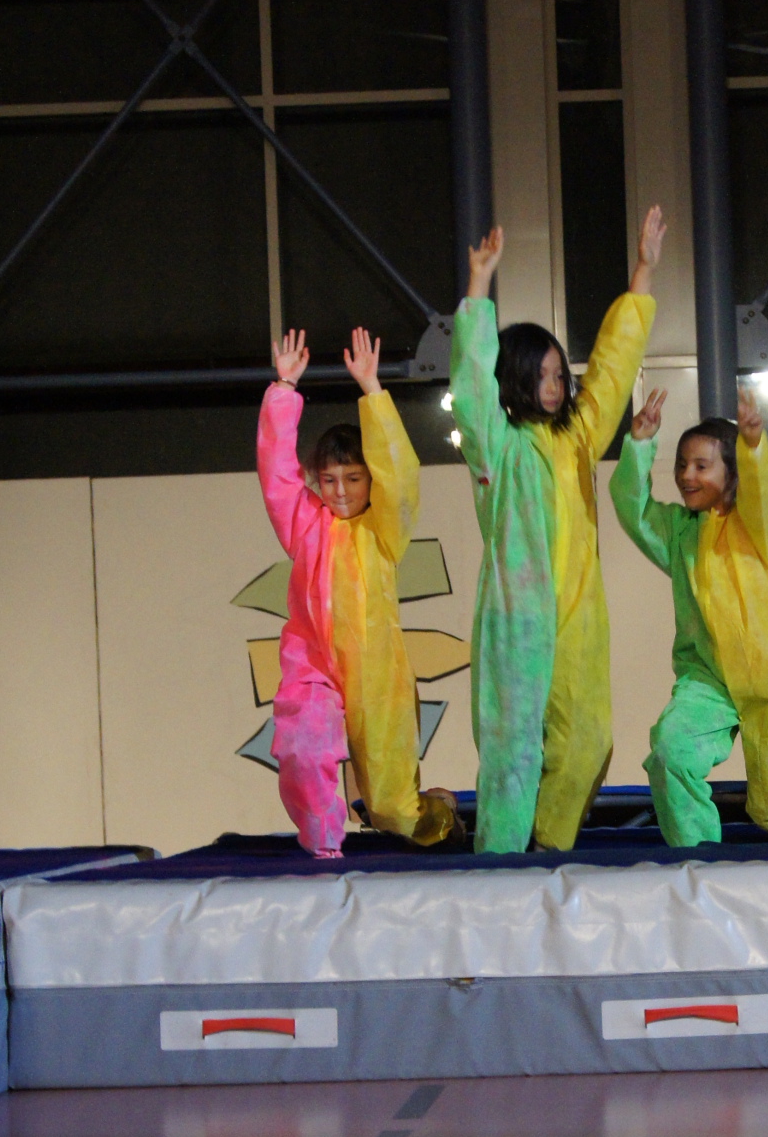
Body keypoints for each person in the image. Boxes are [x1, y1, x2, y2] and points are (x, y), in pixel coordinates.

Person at [450, 209, 665, 853]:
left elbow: (613, 369)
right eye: (540, 375)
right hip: (517, 618)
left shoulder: (576, 437)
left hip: (579, 616)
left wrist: (644, 271)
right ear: (515, 378)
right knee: (512, 748)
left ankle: (546, 847)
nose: (553, 386)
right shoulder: (497, 444)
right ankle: (501, 862)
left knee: (588, 741)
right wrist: (478, 288)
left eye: (558, 375)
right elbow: (471, 388)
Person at [609, 388, 768, 847]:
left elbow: (760, 492)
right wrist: (639, 445)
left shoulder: (756, 527)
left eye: (701, 466)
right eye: (681, 465)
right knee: (672, 751)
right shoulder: (680, 531)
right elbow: (632, 507)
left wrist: (753, 446)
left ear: (731, 474)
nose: (686, 475)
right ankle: (698, 857)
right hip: (707, 680)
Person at [258, 327, 458, 857]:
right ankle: (325, 849)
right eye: (328, 480)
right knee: (303, 748)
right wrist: (284, 388)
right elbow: (276, 474)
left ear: (370, 481)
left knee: (393, 811)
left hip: (377, 673)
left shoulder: (383, 529)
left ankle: (440, 811)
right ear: (316, 481)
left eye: (353, 478)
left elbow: (401, 474)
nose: (341, 491)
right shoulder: (306, 525)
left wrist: (372, 390)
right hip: (313, 665)